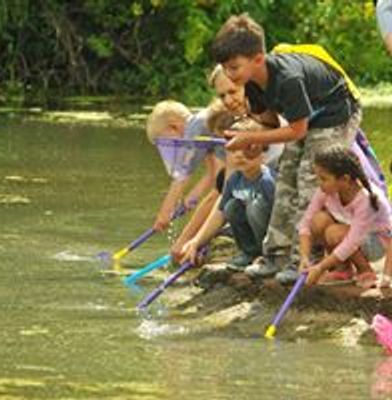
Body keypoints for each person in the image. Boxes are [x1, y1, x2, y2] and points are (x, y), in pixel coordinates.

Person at [211, 14, 362, 284]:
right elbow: (268, 123)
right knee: (285, 178)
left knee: (309, 181)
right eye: (225, 68)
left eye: (234, 67)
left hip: (336, 113)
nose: (229, 76)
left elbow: (297, 130)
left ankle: (306, 258)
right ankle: (276, 254)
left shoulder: (288, 78)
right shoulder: (252, 85)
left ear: (258, 58)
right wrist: (252, 139)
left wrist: (247, 139)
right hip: (306, 120)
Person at [181, 118, 275, 269]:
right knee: (231, 206)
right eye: (233, 149)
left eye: (248, 148)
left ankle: (270, 255)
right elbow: (221, 212)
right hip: (255, 235)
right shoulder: (234, 180)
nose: (239, 155)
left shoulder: (267, 181)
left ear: (263, 152)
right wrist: (196, 242)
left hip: (272, 235)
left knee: (254, 207)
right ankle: (250, 253)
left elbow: (280, 220)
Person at [298, 145, 392, 288]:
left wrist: (320, 267)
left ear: (345, 179)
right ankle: (342, 269)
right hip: (353, 234)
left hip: (376, 242)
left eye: (323, 179)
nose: (319, 183)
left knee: (333, 232)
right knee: (318, 220)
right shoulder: (326, 190)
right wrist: (304, 257)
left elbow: (352, 241)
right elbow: (306, 223)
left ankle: (365, 271)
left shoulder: (365, 199)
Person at [146, 100, 225, 231]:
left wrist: (165, 212)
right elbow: (212, 173)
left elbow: (183, 174)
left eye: (168, 141)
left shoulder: (195, 127)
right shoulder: (202, 132)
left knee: (219, 194)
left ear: (174, 127)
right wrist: (193, 196)